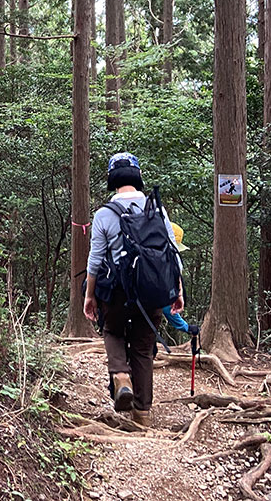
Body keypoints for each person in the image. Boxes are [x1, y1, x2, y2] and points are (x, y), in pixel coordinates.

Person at [83, 153, 184, 425]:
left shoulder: (104, 214)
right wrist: (178, 289)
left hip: (116, 291)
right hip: (151, 290)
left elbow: (95, 259)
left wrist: (89, 295)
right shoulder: (155, 209)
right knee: (142, 347)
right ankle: (142, 414)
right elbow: (170, 252)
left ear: (112, 179)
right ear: (138, 176)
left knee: (113, 331)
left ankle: (120, 376)